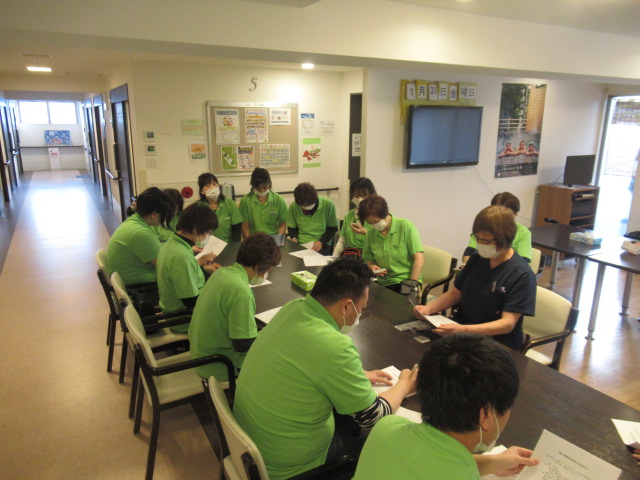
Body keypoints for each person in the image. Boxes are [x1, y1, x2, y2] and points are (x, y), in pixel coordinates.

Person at [233, 259, 418, 480]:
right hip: (291, 466)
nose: (360, 313)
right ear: (347, 306)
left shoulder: (294, 308)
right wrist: (405, 384)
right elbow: (372, 416)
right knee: (382, 449)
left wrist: (358, 375)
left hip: (254, 443)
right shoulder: (335, 346)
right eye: (362, 308)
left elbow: (304, 361)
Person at [353, 334, 539, 480]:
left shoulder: (386, 427)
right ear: (486, 416)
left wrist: (493, 463)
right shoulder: (462, 475)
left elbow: (435, 464)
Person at [414, 205, 536, 350]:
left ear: (504, 238)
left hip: (496, 344)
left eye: (487, 241)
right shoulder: (477, 259)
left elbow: (507, 324)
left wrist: (463, 330)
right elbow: (455, 293)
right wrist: (429, 309)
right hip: (462, 332)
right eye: (478, 238)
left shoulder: (521, 274)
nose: (481, 244)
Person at [189, 233, 281, 381]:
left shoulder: (221, 272)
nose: (267, 274)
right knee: (279, 355)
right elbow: (242, 345)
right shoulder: (240, 291)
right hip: (219, 365)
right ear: (259, 267)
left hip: (200, 354)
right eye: (269, 269)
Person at [156, 203, 219, 333]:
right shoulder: (182, 257)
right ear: (195, 230)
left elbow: (180, 276)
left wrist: (202, 269)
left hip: (171, 309)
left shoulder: (172, 244)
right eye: (208, 232)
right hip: (184, 319)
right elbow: (191, 301)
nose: (208, 236)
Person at [107, 187, 174, 285]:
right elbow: (165, 265)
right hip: (139, 285)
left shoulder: (136, 221)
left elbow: (159, 248)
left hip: (130, 276)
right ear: (154, 214)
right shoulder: (141, 233)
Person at [359, 194, 424, 292]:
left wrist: (411, 283)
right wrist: (372, 267)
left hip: (406, 280)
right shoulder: (371, 233)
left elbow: (419, 259)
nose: (374, 225)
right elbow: (369, 259)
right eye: (370, 223)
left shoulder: (405, 227)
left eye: (376, 221)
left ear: (386, 214)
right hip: (383, 281)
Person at [463, 192, 532, 264]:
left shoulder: (523, 232)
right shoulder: (483, 229)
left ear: (515, 214)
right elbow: (469, 252)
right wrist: (467, 265)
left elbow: (523, 260)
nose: (500, 219)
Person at [286, 182, 338, 255]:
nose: (306, 207)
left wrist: (321, 241)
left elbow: (332, 229)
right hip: (301, 243)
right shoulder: (294, 206)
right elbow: (291, 227)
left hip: (322, 242)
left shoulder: (328, 204)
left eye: (309, 205)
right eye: (303, 206)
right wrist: (294, 238)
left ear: (315, 199)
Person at [332, 177, 376, 257]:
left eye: (364, 196)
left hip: (369, 258)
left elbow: (380, 242)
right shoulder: (349, 215)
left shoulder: (376, 216)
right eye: (357, 195)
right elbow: (342, 240)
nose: (360, 199)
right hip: (351, 257)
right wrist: (333, 258)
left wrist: (365, 232)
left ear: (371, 196)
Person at [239, 167, 287, 238]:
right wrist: (249, 241)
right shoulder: (245, 201)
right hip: (254, 238)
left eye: (265, 187)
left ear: (269, 184)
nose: (262, 191)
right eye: (258, 188)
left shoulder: (278, 200)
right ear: (253, 186)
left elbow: (283, 224)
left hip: (273, 237)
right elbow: (244, 226)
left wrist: (278, 240)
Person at [198, 172, 243, 243]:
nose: (212, 187)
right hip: (206, 245)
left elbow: (237, 228)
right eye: (207, 185)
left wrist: (235, 246)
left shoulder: (229, 203)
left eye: (214, 184)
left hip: (227, 244)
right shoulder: (198, 207)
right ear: (202, 191)